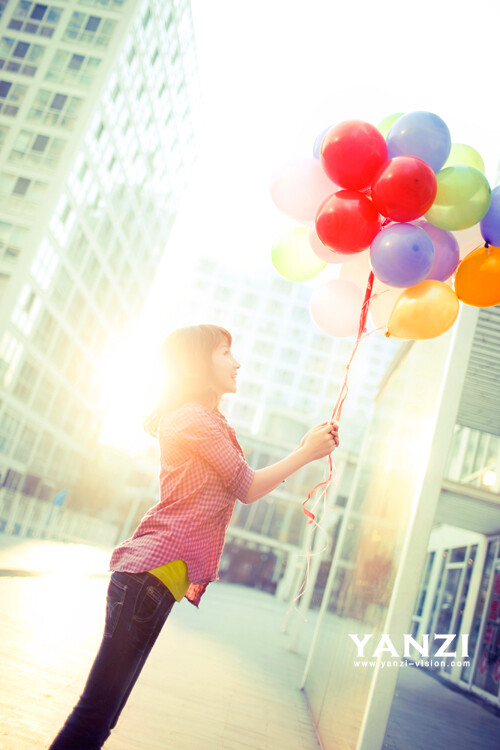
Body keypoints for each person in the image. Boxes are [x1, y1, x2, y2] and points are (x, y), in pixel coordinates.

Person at [50, 323, 339, 749]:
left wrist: (304, 448)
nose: (237, 362)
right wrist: (306, 453)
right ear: (197, 363)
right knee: (95, 714)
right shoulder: (191, 418)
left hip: (158, 580)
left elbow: (241, 482)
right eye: (226, 354)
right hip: (147, 577)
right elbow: (248, 487)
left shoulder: (204, 418)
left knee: (103, 717)